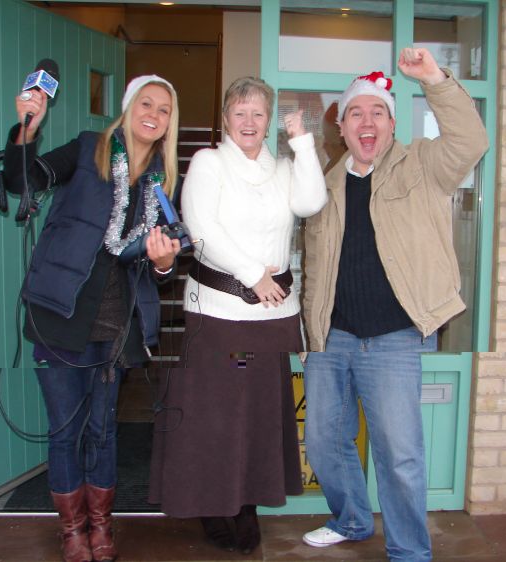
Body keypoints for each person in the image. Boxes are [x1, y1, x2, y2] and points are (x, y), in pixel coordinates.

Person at [301, 47, 489, 562]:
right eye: (355, 113)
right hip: (332, 338)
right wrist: (309, 334)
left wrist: (435, 79)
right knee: (323, 443)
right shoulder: (324, 187)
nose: (367, 122)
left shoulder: (423, 165)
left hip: (393, 339)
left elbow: (472, 140)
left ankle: (409, 550)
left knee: (400, 456)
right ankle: (352, 519)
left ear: (391, 122)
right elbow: (315, 267)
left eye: (377, 112)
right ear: (341, 127)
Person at [3, 74, 182, 562]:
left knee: (103, 431)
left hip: (118, 327)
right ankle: (71, 532)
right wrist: (27, 130)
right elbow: (25, 180)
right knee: (65, 431)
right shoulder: (88, 150)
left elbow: (159, 266)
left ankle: (102, 526)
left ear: (170, 123)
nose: (154, 113)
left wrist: (165, 262)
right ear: (127, 108)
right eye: (146, 103)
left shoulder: (163, 181)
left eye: (164, 109)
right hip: (62, 318)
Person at [148, 76, 327, 555]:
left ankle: (245, 503)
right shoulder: (208, 163)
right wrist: (253, 275)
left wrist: (303, 142)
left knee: (258, 418)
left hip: (270, 321)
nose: (249, 122)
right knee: (218, 417)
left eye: (258, 114)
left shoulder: (282, 168)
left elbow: (312, 202)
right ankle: (216, 505)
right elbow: (203, 229)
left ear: (268, 122)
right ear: (226, 118)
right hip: (221, 317)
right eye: (240, 112)